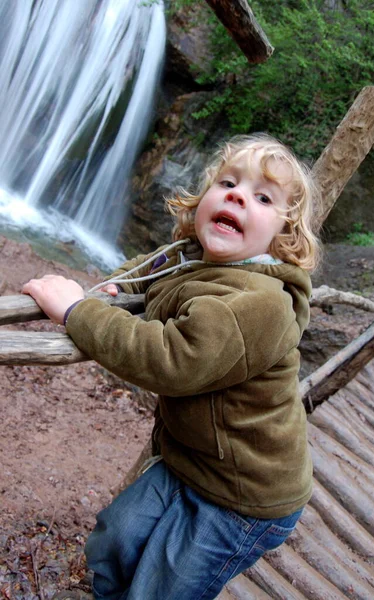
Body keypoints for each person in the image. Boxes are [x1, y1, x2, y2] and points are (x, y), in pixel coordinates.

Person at [22, 133, 321, 600]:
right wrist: (114, 292)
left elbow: (169, 359)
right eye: (227, 183)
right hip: (190, 459)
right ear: (203, 201)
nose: (238, 195)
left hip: (245, 495)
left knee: (162, 586)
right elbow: (153, 268)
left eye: (262, 197)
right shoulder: (193, 255)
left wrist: (78, 313)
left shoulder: (260, 305)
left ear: (283, 237)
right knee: (115, 539)